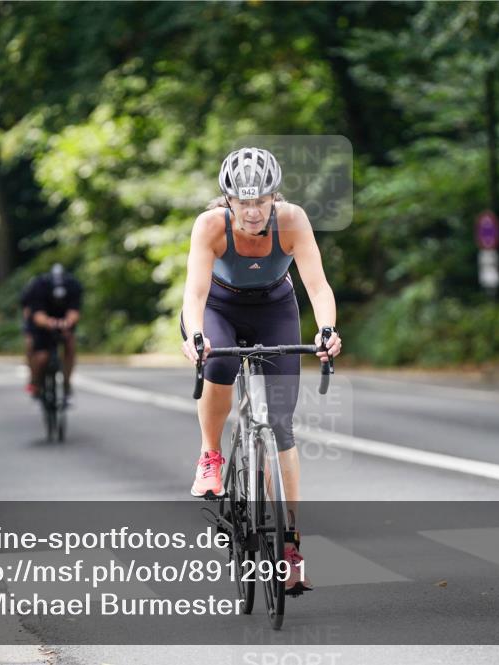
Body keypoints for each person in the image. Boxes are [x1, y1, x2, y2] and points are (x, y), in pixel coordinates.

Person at [179, 147, 342, 595]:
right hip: (219, 307)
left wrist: (327, 329)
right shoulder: (210, 226)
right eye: (243, 202)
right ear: (228, 200)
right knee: (221, 362)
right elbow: (193, 296)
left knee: (281, 426)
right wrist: (197, 337)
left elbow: (317, 285)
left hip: (274, 308)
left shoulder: (293, 220)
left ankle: (289, 545)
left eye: (261, 200)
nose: (252, 212)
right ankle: (210, 455)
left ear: (275, 196)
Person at [27, 264, 82, 403]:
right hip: (42, 326)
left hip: (64, 324)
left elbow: (74, 312)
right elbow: (38, 315)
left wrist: (66, 323)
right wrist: (49, 323)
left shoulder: (73, 286)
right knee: (41, 357)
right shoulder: (39, 287)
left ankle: (66, 382)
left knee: (70, 345)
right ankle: (36, 382)